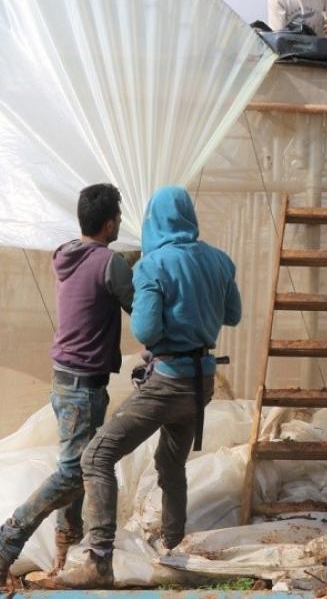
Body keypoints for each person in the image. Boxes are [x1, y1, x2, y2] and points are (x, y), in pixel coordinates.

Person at [70, 185, 241, 588]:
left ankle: (98, 560)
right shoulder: (220, 260)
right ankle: (174, 545)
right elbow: (232, 315)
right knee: (170, 463)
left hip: (168, 382)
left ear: (153, 222)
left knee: (96, 456)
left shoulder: (153, 265)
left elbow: (147, 330)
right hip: (201, 382)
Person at [0, 184, 133, 585]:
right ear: (110, 223)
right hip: (83, 386)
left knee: (80, 464)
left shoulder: (66, 255)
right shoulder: (110, 263)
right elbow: (137, 306)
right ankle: (1, 546)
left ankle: (64, 554)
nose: (121, 223)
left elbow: (97, 284)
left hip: (65, 380)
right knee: (76, 473)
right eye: (119, 218)